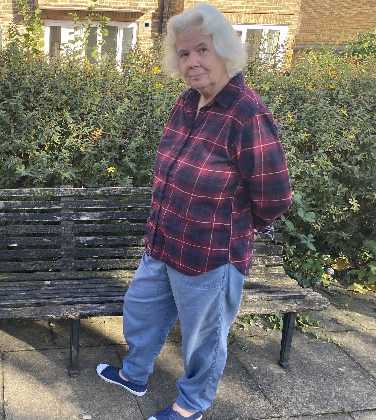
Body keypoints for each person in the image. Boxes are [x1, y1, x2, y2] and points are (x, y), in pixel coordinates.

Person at [96, 3, 292, 420]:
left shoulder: (247, 113)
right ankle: (134, 374)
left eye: (201, 50)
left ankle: (190, 406)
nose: (192, 62)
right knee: (141, 310)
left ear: (223, 51)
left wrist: (230, 227)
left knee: (205, 339)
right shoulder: (187, 103)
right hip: (163, 242)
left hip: (209, 257)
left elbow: (274, 196)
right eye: (184, 54)